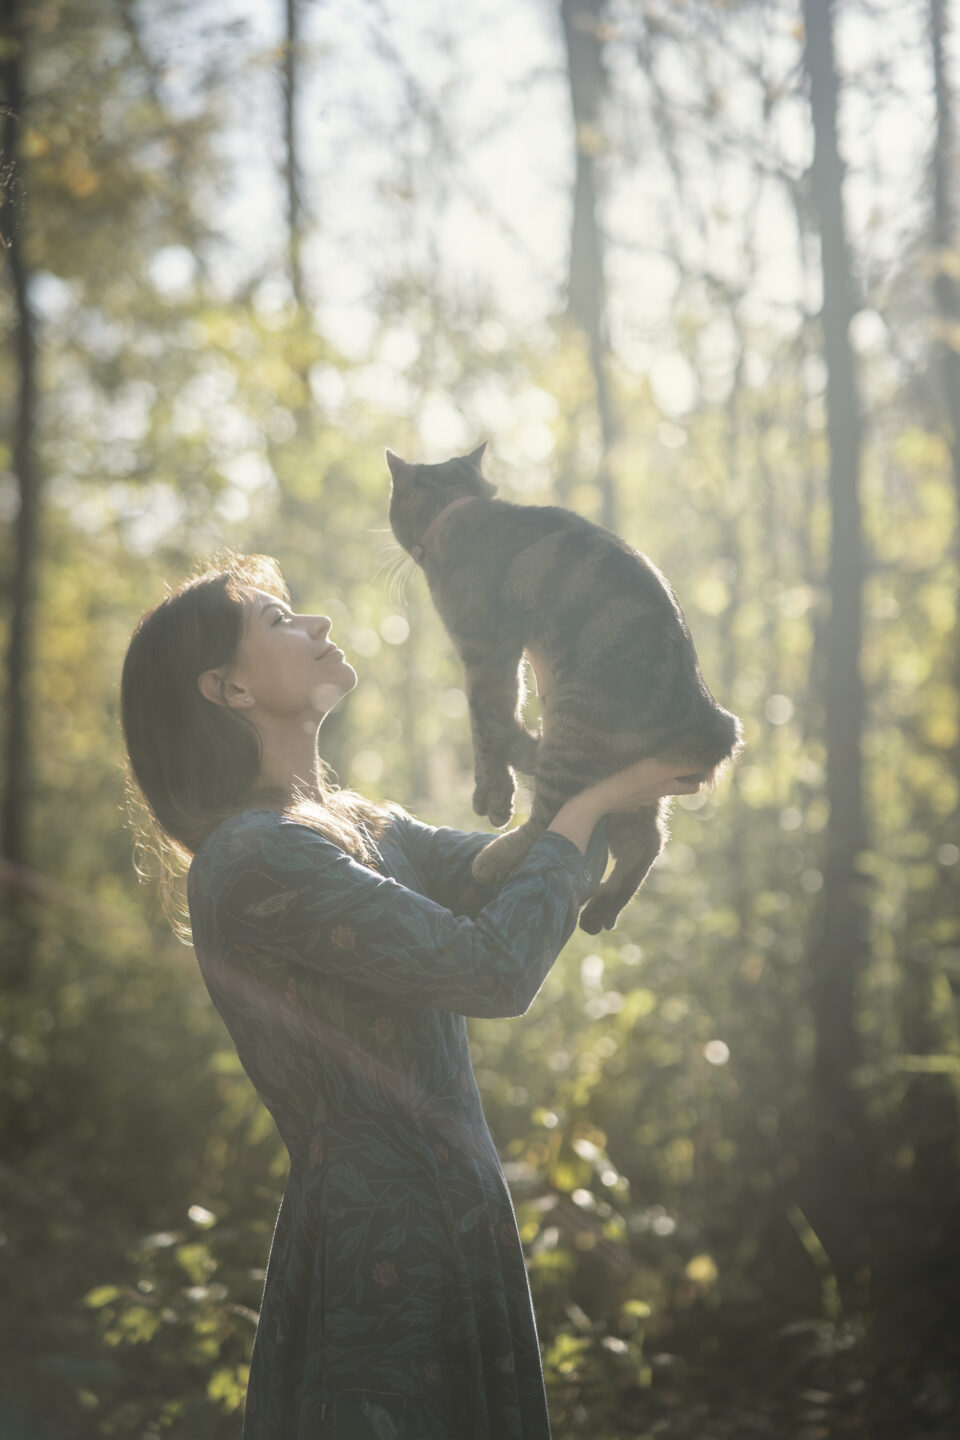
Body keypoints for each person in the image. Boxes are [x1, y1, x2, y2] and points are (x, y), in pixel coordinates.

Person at [121, 552, 702, 1440]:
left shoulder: (365, 824)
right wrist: (591, 808)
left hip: (458, 1217)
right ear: (229, 690)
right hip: (379, 1251)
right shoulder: (253, 855)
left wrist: (598, 736)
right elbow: (490, 969)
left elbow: (504, 865)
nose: (314, 624)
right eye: (278, 620)